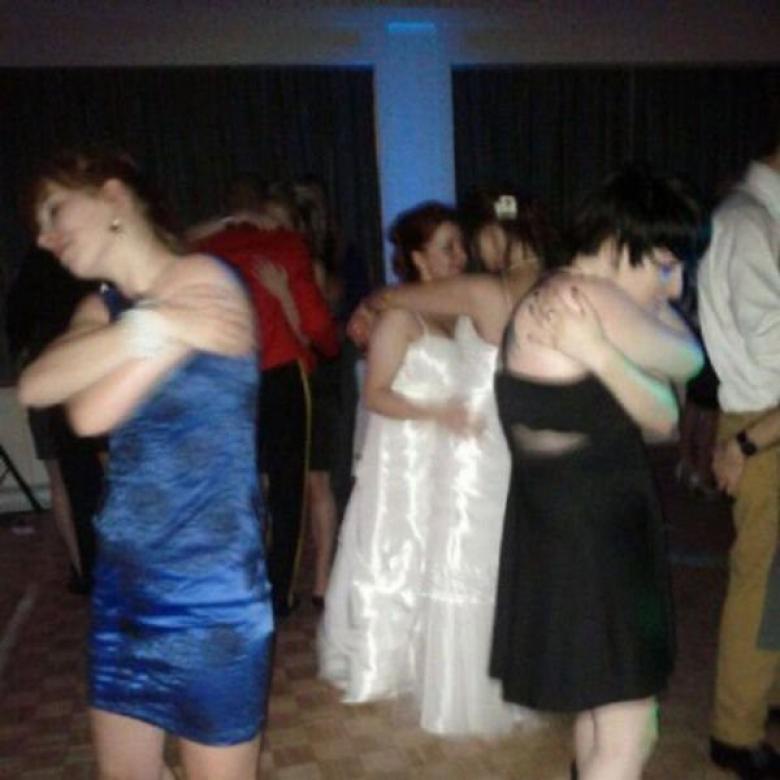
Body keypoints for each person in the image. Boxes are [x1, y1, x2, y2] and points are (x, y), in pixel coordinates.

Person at [17, 148, 273, 780]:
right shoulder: (100, 307)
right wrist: (156, 329)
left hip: (212, 596)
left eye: (54, 212)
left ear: (112, 197)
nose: (45, 239)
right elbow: (38, 385)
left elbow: (90, 411)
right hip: (125, 592)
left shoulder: (204, 276)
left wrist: (137, 333)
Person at [492, 165, 705, 779]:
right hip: (596, 535)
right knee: (630, 729)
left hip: (560, 526)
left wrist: (606, 351)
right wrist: (603, 353)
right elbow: (685, 369)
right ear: (616, 243)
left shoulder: (551, 291)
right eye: (664, 266)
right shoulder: (591, 299)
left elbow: (659, 409)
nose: (674, 285)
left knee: (599, 707)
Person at [356, 190, 551, 736]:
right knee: (499, 560)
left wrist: (367, 306)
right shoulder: (553, 285)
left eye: (472, 239)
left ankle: (461, 694)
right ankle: (511, 679)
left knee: (462, 560)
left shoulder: (485, 290)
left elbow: (388, 296)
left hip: (472, 442)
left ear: (494, 233)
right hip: (516, 440)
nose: (469, 252)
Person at [318, 201, 474, 704]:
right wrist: (435, 413)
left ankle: (434, 657)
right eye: (447, 247)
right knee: (398, 553)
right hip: (405, 459)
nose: (460, 255)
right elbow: (375, 394)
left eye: (461, 245)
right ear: (419, 258)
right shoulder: (400, 316)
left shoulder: (457, 312)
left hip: (448, 457)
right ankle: (386, 660)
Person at [193, 180, 339, 618]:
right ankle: (278, 593)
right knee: (287, 489)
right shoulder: (287, 246)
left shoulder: (205, 249)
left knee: (239, 486)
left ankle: (241, 583)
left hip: (225, 375)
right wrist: (326, 346)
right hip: (280, 373)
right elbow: (320, 330)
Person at [697, 134, 780, 778]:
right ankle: (735, 730)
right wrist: (749, 442)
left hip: (761, 421)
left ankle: (763, 701)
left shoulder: (753, 216)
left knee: (772, 582)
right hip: (765, 425)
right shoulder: (749, 222)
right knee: (761, 581)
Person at [6, 246, 104, 593]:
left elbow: (15, 324)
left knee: (62, 478)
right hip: (90, 371)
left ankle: (84, 571)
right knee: (97, 476)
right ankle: (101, 570)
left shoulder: (36, 263)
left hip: (53, 372)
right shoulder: (93, 258)